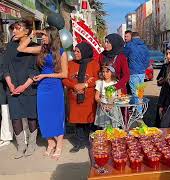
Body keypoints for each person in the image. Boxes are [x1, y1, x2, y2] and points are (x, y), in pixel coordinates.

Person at [17, 26, 68, 160]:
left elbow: (64, 74)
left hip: (55, 87)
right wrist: (33, 33)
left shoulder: (62, 52)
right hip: (42, 87)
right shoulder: (41, 50)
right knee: (44, 116)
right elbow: (21, 48)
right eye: (42, 35)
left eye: (45, 35)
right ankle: (50, 143)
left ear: (52, 36)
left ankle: (59, 145)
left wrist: (46, 76)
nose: (43, 37)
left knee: (57, 116)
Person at [3, 20, 39, 159]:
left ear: (27, 31)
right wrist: (10, 84)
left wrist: (24, 86)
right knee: (15, 116)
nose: (13, 31)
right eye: (13, 29)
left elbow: (36, 69)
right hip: (12, 87)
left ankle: (31, 144)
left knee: (31, 116)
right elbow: (5, 66)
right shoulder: (10, 46)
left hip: (29, 86)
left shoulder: (35, 47)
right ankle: (21, 146)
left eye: (17, 29)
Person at [63, 42, 99, 153]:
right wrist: (74, 85)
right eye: (75, 51)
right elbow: (64, 79)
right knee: (77, 121)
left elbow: (97, 79)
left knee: (88, 120)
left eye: (78, 51)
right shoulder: (70, 64)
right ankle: (79, 142)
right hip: (74, 98)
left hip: (88, 99)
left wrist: (85, 85)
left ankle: (87, 141)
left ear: (85, 52)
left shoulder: (94, 64)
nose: (75, 53)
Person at [123, 31, 149, 97]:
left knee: (135, 94)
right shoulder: (144, 46)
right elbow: (147, 60)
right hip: (142, 73)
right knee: (140, 94)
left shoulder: (129, 45)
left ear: (132, 37)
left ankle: (138, 107)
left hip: (133, 73)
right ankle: (140, 107)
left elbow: (123, 56)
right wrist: (143, 69)